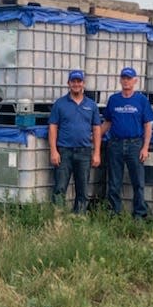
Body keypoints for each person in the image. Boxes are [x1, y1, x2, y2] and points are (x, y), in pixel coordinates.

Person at [101, 67, 153, 218]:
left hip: (135, 145)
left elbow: (148, 125)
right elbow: (107, 122)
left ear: (135, 81)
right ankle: (114, 214)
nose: (126, 81)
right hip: (115, 144)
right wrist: (95, 136)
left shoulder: (141, 100)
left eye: (129, 78)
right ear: (120, 80)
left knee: (138, 181)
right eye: (124, 78)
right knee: (114, 182)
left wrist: (145, 148)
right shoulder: (113, 100)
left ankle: (139, 214)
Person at [48, 69, 102, 213]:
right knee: (60, 187)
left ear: (83, 84)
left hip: (84, 152)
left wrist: (96, 153)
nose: (76, 84)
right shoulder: (60, 104)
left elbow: (97, 129)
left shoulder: (91, 105)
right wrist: (53, 151)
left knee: (83, 189)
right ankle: (58, 218)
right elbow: (53, 127)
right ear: (68, 83)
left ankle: (79, 219)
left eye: (79, 81)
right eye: (73, 81)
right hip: (64, 151)